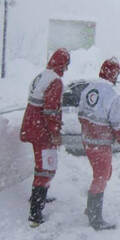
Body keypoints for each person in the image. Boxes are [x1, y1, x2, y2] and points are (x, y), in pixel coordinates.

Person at [78, 57, 120, 230]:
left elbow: (81, 114)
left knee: (105, 173)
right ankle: (95, 218)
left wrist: (89, 130)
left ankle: (91, 208)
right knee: (101, 177)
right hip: (100, 144)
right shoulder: (112, 96)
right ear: (113, 75)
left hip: (88, 142)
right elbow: (119, 125)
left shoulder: (88, 88)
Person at [19, 48, 70, 227]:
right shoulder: (55, 81)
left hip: (31, 126)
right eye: (66, 65)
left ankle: (37, 196)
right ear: (62, 64)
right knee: (46, 167)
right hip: (42, 130)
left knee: (41, 165)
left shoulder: (42, 75)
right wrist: (55, 133)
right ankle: (36, 213)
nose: (66, 69)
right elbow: (51, 111)